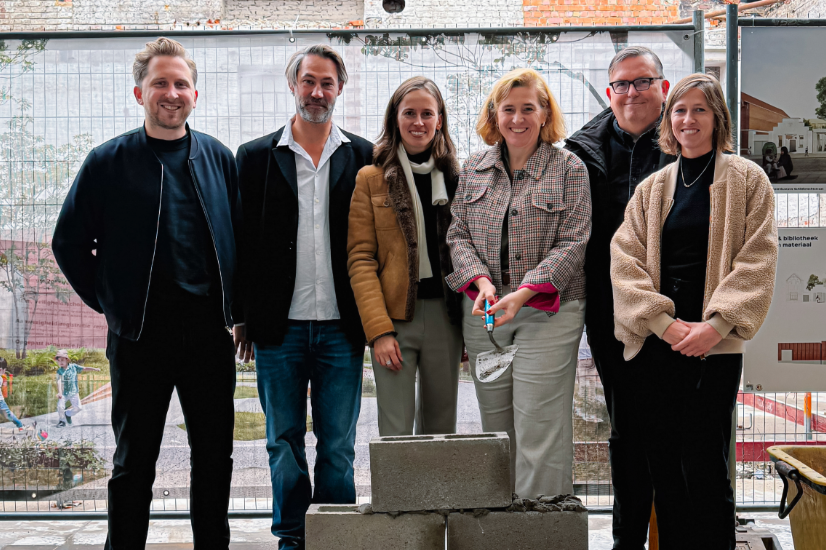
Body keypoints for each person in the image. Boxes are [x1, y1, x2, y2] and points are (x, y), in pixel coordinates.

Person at [52, 37, 241, 550]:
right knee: (134, 463)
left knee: (214, 460)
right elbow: (68, 242)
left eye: (181, 83)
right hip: (140, 338)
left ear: (195, 94)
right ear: (139, 93)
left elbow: (239, 242)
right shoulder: (106, 162)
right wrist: (111, 304)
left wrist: (237, 313)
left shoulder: (220, 159)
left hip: (207, 335)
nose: (171, 92)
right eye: (160, 82)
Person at [610, 73, 778, 550]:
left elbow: (758, 259)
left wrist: (717, 325)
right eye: (680, 110)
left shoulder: (747, 180)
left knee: (704, 464)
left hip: (714, 345)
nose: (689, 119)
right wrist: (663, 325)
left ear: (718, 118)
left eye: (700, 109)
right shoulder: (652, 188)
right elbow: (625, 262)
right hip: (659, 342)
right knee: (663, 465)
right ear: (669, 120)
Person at [232, 44, 373, 550]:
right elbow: (240, 243)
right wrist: (241, 316)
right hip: (278, 328)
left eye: (327, 82)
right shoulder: (253, 157)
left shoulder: (363, 156)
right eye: (308, 81)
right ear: (293, 85)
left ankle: (334, 535)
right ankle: (292, 535)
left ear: (341, 88)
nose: (317, 91)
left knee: (338, 445)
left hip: (342, 326)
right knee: (282, 442)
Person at [446, 68, 590, 497]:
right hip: (486, 314)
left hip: (548, 314)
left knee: (539, 425)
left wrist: (524, 292)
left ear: (545, 114)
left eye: (529, 108)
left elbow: (574, 240)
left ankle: (540, 528)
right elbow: (458, 233)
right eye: (508, 109)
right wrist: (483, 282)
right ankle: (502, 525)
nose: (517, 118)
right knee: (497, 428)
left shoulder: (569, 168)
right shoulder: (474, 167)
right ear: (495, 114)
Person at [564, 45, 675, 548]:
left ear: (663, 87)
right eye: (622, 85)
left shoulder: (687, 141)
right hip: (612, 315)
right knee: (627, 427)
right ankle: (627, 538)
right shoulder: (583, 151)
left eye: (642, 81)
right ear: (610, 93)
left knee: (675, 432)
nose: (632, 92)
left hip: (678, 311)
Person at [348, 77, 463, 436]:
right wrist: (378, 331)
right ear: (394, 119)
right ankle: (398, 496)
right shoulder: (371, 179)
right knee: (395, 431)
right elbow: (361, 259)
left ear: (439, 120)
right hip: (395, 320)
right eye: (409, 112)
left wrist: (470, 329)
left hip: (447, 319)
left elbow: (472, 252)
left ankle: (439, 495)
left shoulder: (460, 178)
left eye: (427, 113)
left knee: (442, 429)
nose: (418, 122)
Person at [54, 349, 101, 427]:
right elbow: (59, 381)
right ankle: (62, 421)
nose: (60, 362)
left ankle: (68, 414)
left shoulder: (74, 367)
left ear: (67, 360)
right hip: (64, 392)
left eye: (62, 360)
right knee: (60, 406)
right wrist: (59, 392)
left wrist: (94, 369)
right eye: (59, 361)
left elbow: (84, 368)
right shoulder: (59, 371)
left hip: (73, 392)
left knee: (78, 408)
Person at [0, 360, 24, 431]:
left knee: (8, 415)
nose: (4, 372)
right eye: (5, 370)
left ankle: (19, 425)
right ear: (1, 369)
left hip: (0, 402)